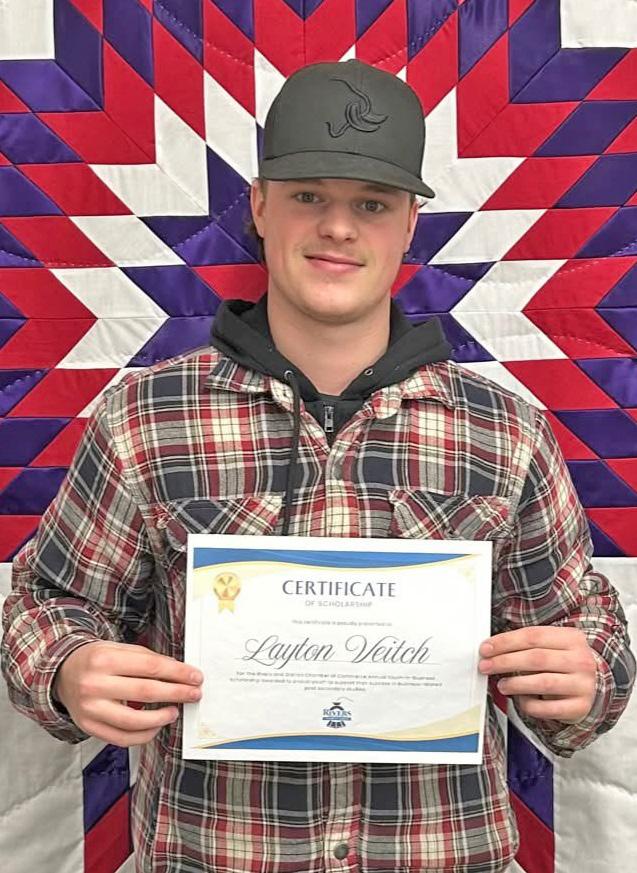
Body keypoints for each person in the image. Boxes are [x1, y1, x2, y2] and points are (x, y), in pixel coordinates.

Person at [2, 59, 635, 873]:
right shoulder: (143, 419)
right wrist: (67, 667)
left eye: (371, 203)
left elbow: (586, 634)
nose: (338, 227)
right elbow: (47, 605)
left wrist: (585, 673)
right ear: (260, 206)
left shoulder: (506, 432)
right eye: (308, 196)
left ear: (408, 224)